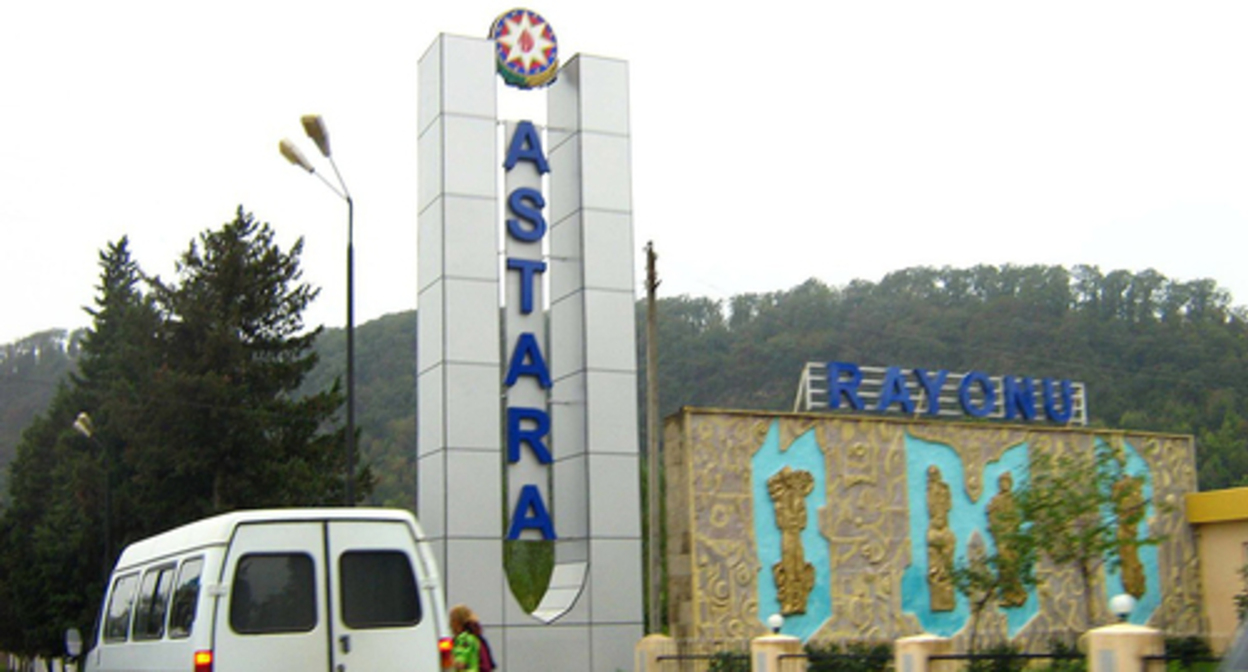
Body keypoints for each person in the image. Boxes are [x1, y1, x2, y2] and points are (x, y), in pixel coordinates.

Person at [449, 604, 495, 672]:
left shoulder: (464, 639)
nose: (450, 624)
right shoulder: (478, 639)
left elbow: (460, 662)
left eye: (452, 620)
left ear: (457, 622)